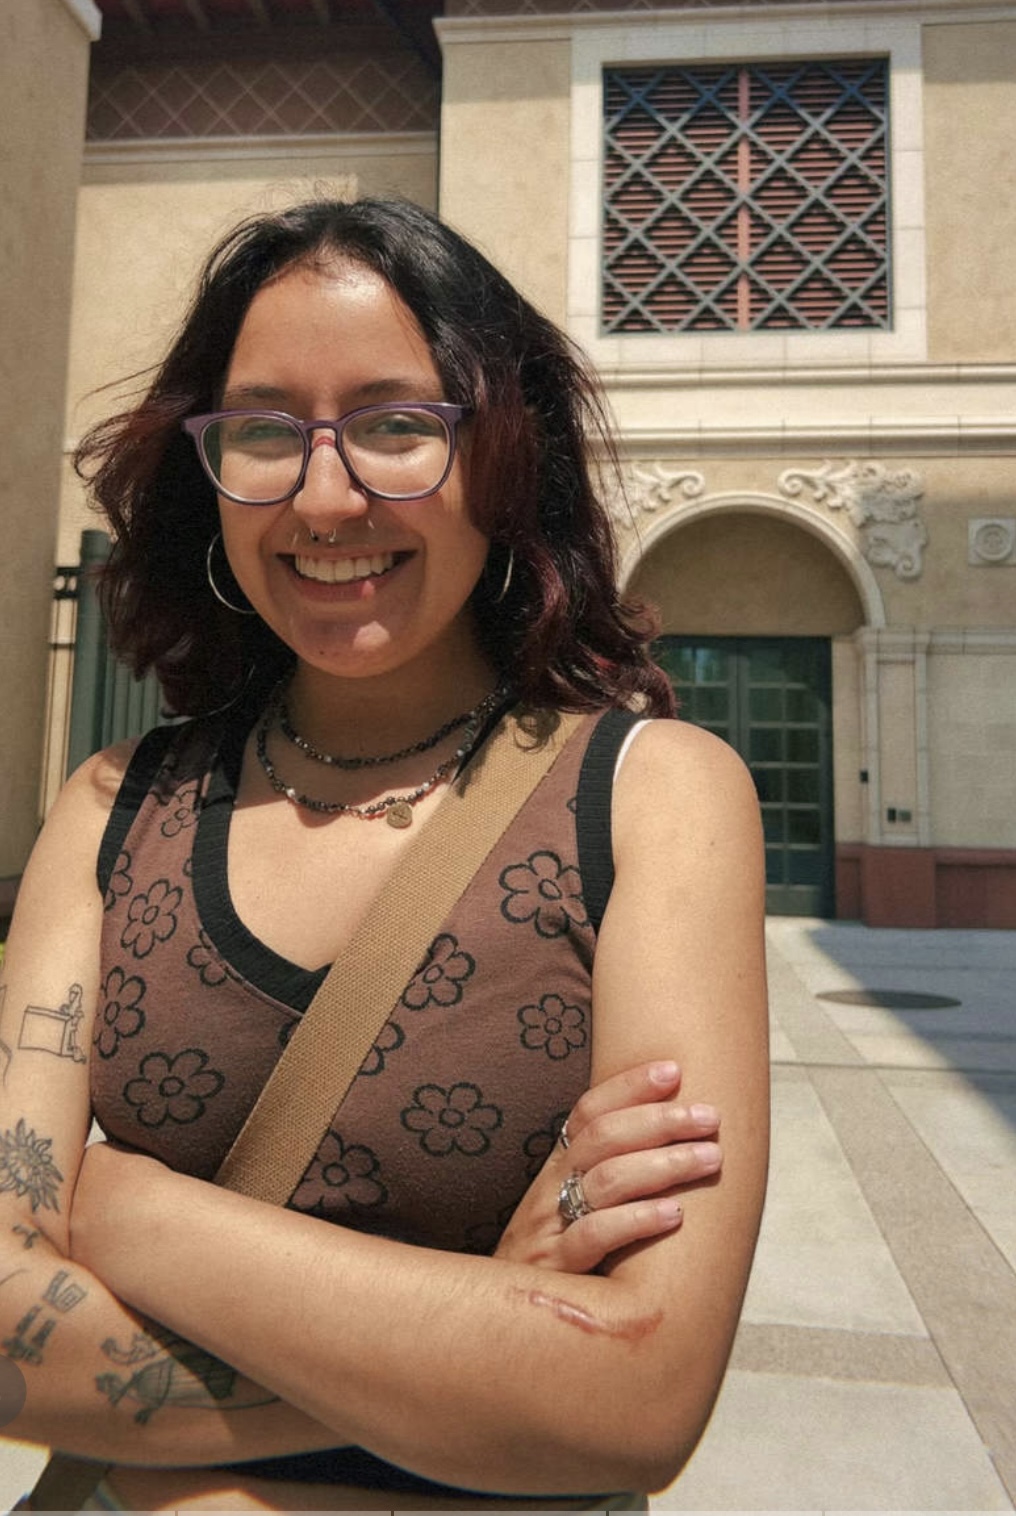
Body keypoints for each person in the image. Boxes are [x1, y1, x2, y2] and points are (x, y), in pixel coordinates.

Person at [0, 197, 769, 1511]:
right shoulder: (115, 807)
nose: (325, 495)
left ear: (505, 454)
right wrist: (486, 1334)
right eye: (262, 432)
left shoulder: (652, 799)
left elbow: (637, 1397)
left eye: (397, 425)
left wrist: (136, 1216)